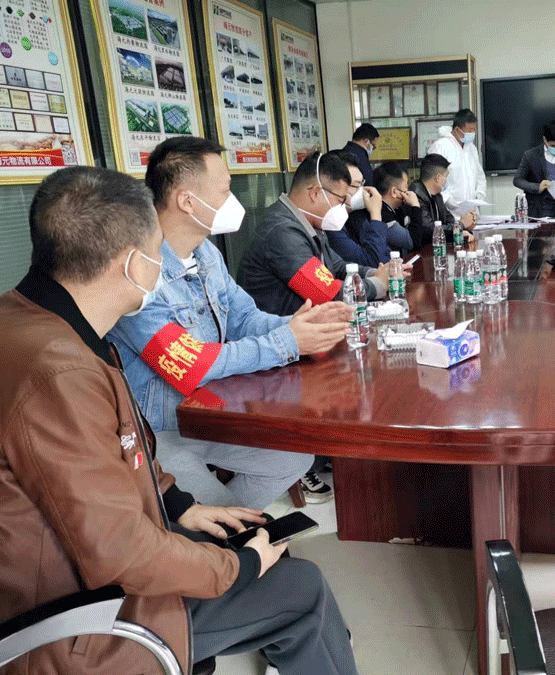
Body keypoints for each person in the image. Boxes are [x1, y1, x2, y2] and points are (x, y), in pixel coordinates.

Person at [0, 165, 358, 675]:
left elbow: (120, 450)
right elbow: (119, 552)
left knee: (240, 535)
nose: (162, 266)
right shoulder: (62, 371)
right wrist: (238, 567)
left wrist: (178, 504)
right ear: (132, 264)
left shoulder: (34, 322)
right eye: (156, 253)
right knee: (301, 588)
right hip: (83, 617)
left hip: (73, 557)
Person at [108, 137, 350, 507]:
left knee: (293, 458)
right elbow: (190, 366)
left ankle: (227, 529)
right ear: (187, 201)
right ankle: (221, 531)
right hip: (161, 431)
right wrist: (287, 341)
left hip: (212, 413)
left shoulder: (205, 253)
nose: (232, 201)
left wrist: (296, 325)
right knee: (215, 514)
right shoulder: (138, 272)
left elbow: (243, 317)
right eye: (224, 191)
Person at [239, 150, 394, 316]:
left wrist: (374, 273)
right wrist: (378, 284)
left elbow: (337, 266)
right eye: (340, 200)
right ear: (315, 193)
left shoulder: (309, 223)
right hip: (281, 329)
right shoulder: (281, 232)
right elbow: (326, 294)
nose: (343, 207)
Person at [326, 151, 392, 267]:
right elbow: (371, 261)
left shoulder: (357, 214)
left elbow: (385, 254)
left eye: (362, 184)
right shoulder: (329, 223)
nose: (362, 191)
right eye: (356, 185)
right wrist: (376, 214)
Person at [427, 108, 487, 219]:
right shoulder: (441, 146)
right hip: (449, 213)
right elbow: (434, 178)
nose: (472, 133)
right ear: (457, 129)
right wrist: (448, 199)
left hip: (471, 213)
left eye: (474, 130)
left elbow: (480, 176)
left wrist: (479, 194)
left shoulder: (471, 148)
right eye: (469, 130)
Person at [410, 153, 475, 244]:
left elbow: (449, 220)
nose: (446, 181)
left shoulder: (437, 196)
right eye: (446, 177)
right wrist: (461, 225)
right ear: (438, 177)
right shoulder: (416, 195)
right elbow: (429, 229)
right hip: (423, 249)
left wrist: (466, 225)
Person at [373, 161, 428, 252]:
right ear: (394, 192)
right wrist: (416, 206)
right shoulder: (383, 214)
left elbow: (421, 232)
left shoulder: (398, 208)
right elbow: (412, 242)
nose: (408, 190)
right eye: (406, 185)